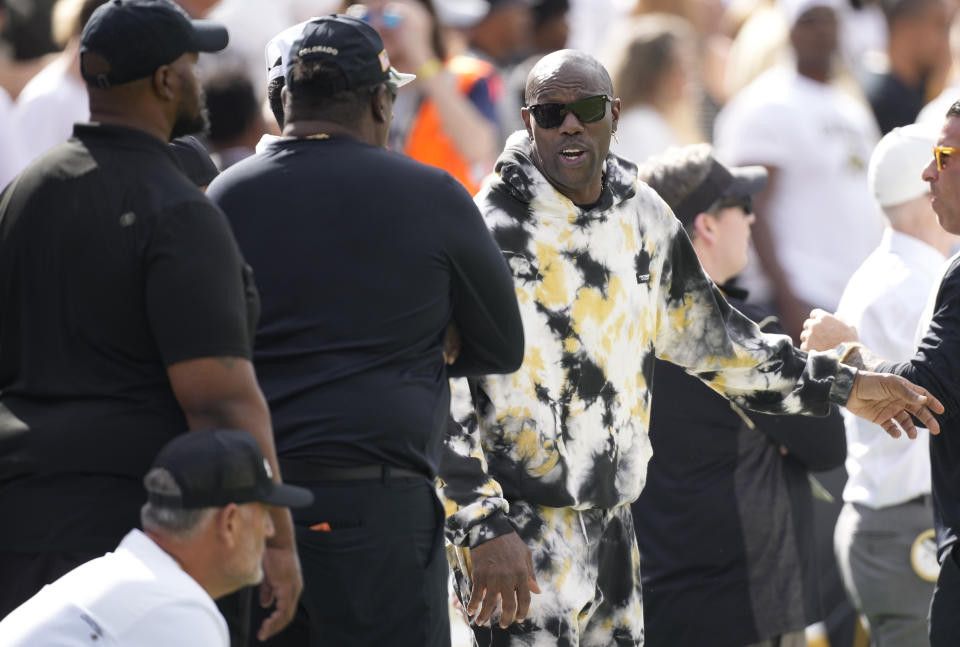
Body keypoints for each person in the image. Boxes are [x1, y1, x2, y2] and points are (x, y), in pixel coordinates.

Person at [438, 48, 942, 647]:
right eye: (551, 114)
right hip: (520, 538)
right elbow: (444, 388)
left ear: (615, 114)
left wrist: (848, 385)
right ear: (528, 122)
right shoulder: (487, 231)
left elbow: (723, 343)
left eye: (587, 109)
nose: (570, 125)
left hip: (615, 533)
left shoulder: (641, 216)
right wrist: (478, 526)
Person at [205, 15, 524, 646]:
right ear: (382, 100)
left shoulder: (224, 197)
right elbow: (501, 346)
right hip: (382, 516)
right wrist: (431, 337)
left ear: (279, 102)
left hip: (258, 514)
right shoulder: (433, 194)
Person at [0, 1, 303, 642]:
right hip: (131, 542)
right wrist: (275, 540)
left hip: (20, 522)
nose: (198, 79)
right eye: (190, 64)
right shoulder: (175, 208)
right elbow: (222, 400)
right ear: (166, 82)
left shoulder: (25, 190)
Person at [632, 144, 846, 647]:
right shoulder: (736, 341)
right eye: (741, 207)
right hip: (744, 610)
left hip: (659, 605)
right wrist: (832, 359)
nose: (752, 220)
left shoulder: (625, 326)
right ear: (706, 226)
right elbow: (827, 447)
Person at [800, 101, 960, 647]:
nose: (931, 173)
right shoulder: (909, 280)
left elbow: (922, 393)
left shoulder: (902, 275)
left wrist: (845, 353)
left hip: (894, 521)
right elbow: (924, 398)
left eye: (944, 157)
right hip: (900, 525)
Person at [0, 429, 313, 646]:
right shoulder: (176, 610)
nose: (271, 530)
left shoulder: (131, 579)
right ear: (229, 522)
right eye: (263, 513)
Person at [714, 0, 885, 341]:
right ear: (789, 32)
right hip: (795, 303)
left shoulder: (850, 107)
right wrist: (789, 303)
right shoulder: (767, 102)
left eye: (829, 21)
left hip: (849, 307)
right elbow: (751, 207)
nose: (822, 30)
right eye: (809, 21)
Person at [860, 0, 950, 134]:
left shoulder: (923, 90)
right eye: (939, 25)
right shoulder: (878, 99)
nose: (946, 39)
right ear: (906, 27)